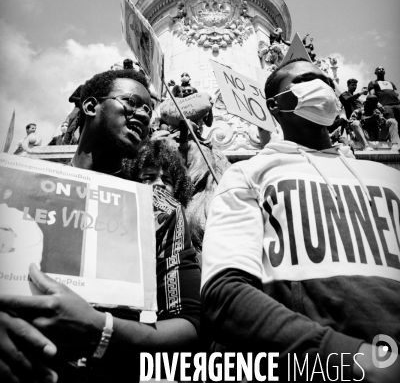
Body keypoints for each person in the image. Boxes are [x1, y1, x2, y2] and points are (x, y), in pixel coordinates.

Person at [201, 58, 400, 382]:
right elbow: (225, 294)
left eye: (325, 81)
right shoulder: (248, 175)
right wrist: (356, 358)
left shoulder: (387, 178)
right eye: (306, 79)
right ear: (274, 105)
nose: (321, 86)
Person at [0, 69, 200, 383]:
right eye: (132, 103)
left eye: (149, 110)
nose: (143, 116)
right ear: (91, 106)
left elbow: (189, 326)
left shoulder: (159, 211)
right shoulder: (17, 190)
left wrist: (101, 327)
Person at [339, 78, 373, 151]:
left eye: (355, 85)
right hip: (353, 122)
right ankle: (365, 146)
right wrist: (360, 93)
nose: (354, 87)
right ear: (348, 85)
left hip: (363, 121)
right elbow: (347, 100)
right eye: (352, 85)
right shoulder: (344, 95)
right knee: (356, 123)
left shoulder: (358, 99)